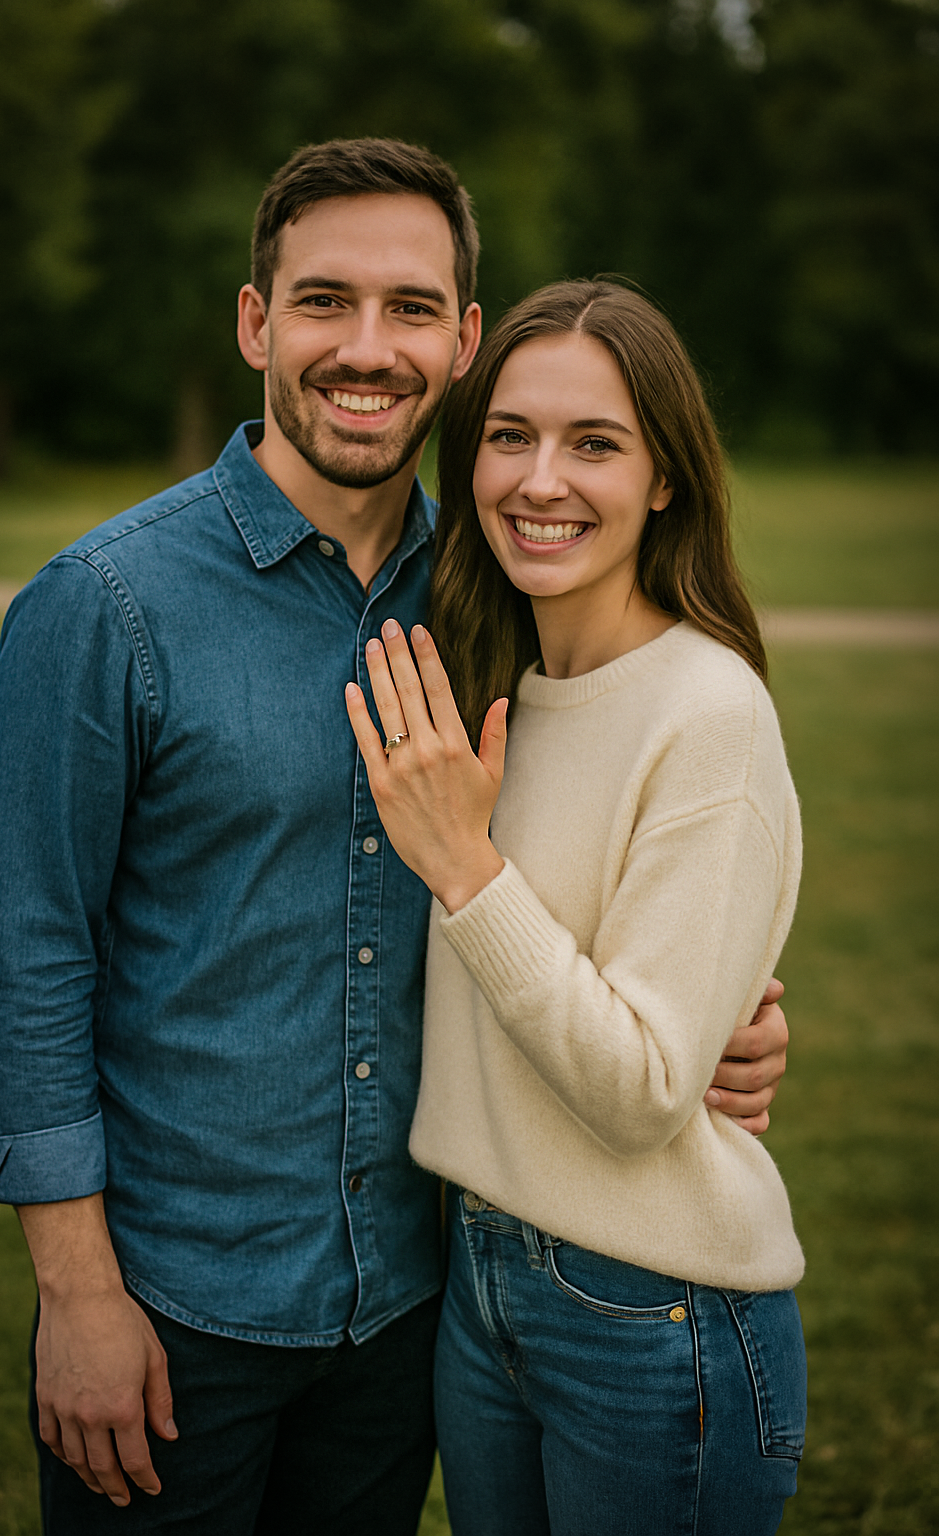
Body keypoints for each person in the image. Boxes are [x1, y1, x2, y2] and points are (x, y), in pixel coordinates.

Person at [0, 137, 790, 1534]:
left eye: (410, 308)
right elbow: (25, 960)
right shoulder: (105, 606)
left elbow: (592, 845)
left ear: (463, 341)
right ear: (255, 323)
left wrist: (720, 1013)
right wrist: (77, 1295)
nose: (366, 347)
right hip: (173, 1309)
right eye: (323, 301)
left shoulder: (494, 593)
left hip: (412, 1310)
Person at [345, 278, 806, 1535]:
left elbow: (642, 1090)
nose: (539, 480)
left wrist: (468, 871)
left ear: (665, 479)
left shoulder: (706, 713)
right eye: (509, 435)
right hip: (479, 1278)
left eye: (594, 443)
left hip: (651, 1310)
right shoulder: (492, 684)